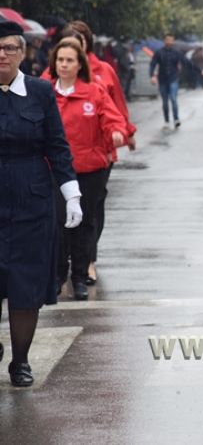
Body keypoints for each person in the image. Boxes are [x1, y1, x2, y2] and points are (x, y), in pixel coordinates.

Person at [0, 21, 83, 386]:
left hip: (32, 201)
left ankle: (20, 361)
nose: (2, 55)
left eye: (9, 48)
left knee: (26, 285)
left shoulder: (39, 92)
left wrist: (71, 193)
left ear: (23, 53)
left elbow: (57, 145)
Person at [48, 37, 128, 300]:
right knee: (59, 224)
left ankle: (80, 277)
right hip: (57, 171)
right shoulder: (45, 91)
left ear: (79, 64)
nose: (64, 65)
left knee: (85, 223)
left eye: (70, 60)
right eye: (60, 60)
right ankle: (59, 274)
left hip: (89, 168)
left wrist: (117, 132)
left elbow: (111, 116)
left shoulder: (94, 92)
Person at [65, 21, 137, 286]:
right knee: (64, 211)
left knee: (91, 208)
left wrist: (125, 132)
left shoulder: (103, 71)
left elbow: (116, 105)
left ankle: (88, 261)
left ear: (87, 44)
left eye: (79, 41)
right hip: (65, 156)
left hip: (99, 153)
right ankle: (68, 262)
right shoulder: (53, 74)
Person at [150, 33, 203, 130]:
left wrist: (200, 71)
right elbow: (152, 64)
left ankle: (176, 119)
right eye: (167, 40)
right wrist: (152, 76)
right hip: (162, 79)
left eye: (171, 40)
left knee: (173, 99)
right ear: (165, 41)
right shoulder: (159, 53)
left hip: (173, 79)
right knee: (165, 102)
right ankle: (167, 121)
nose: (169, 42)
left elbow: (187, 63)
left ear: (173, 41)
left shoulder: (177, 52)